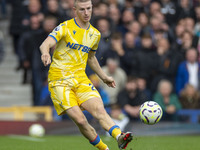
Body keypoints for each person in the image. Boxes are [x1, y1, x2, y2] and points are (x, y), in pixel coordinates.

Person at [39, 0, 133, 150]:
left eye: (88, 8)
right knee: (81, 120)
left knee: (99, 110)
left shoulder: (95, 34)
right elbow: (45, 44)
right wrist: (45, 53)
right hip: (59, 81)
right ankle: (104, 148)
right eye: (82, 9)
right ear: (75, 10)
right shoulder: (65, 27)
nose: (86, 12)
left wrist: (104, 77)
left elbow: (91, 58)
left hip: (80, 79)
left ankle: (119, 136)